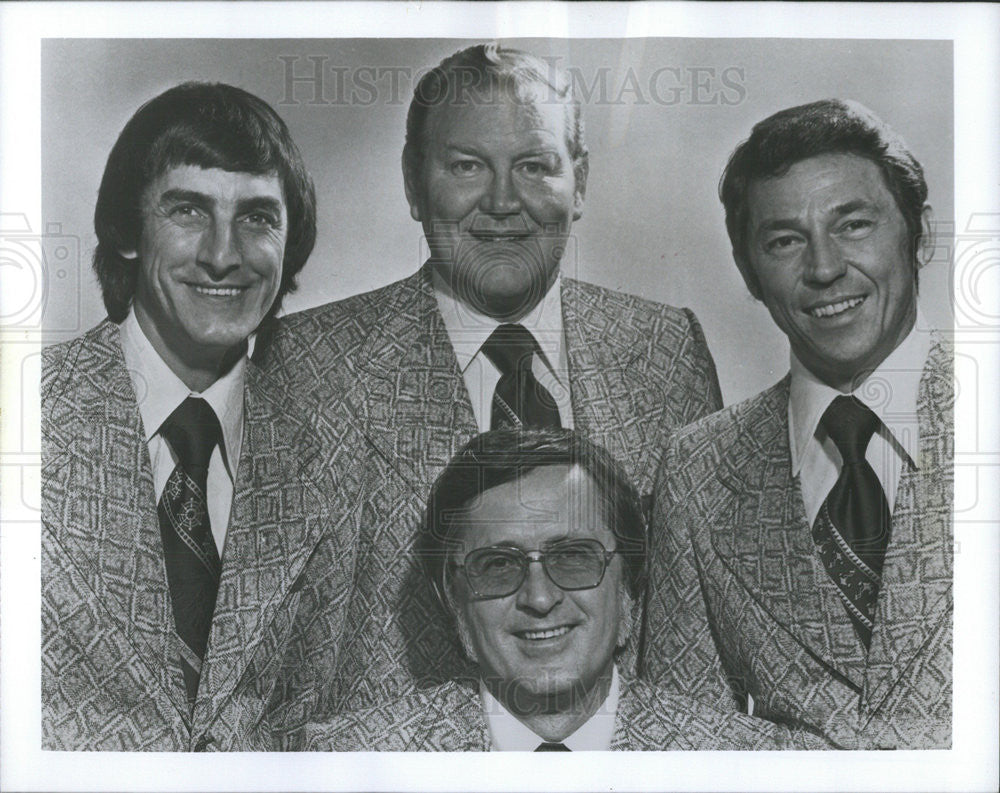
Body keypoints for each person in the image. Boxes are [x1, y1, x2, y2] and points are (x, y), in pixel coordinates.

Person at [255, 42, 723, 715]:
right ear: (415, 184)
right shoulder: (308, 363)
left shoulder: (664, 350)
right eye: (467, 166)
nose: (504, 201)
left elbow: (690, 635)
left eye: (534, 165)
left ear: (580, 182)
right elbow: (272, 658)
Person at [41, 82, 361, 750]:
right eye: (188, 210)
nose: (223, 253)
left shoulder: (333, 449)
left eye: (257, 217)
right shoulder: (28, 415)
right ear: (127, 232)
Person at [641, 99, 952, 749]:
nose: (824, 268)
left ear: (919, 232)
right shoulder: (698, 468)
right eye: (785, 240)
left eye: (854, 224)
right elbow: (684, 740)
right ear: (750, 273)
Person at [304, 430, 831, 750]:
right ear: (453, 601)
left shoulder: (747, 764)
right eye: (497, 565)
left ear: (628, 589)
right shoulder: (348, 761)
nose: (538, 597)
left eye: (573, 558)